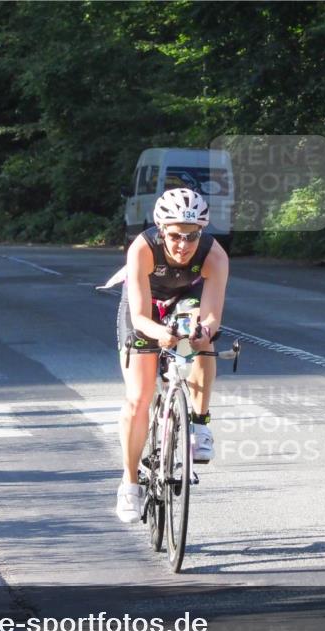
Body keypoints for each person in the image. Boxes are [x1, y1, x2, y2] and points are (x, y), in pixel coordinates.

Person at [114, 188, 229, 523]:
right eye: (176, 235)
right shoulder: (142, 248)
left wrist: (203, 331)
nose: (183, 244)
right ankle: (130, 484)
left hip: (186, 299)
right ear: (162, 230)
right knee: (138, 398)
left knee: (203, 340)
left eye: (192, 236)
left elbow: (212, 316)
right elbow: (138, 318)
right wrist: (160, 334)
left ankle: (200, 423)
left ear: (201, 233)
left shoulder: (214, 256)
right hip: (146, 309)